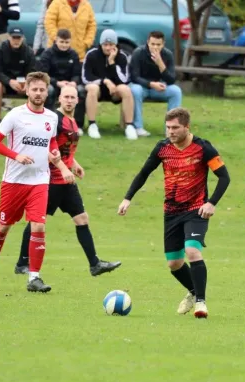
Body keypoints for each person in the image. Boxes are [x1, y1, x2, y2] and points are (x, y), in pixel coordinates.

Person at [117, 107, 230, 318]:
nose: (170, 132)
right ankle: (193, 290)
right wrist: (127, 198)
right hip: (171, 211)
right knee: (174, 263)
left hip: (197, 210)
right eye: (168, 127)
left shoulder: (203, 148)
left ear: (187, 127)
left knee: (192, 250)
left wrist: (211, 203)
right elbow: (143, 173)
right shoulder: (162, 148)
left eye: (175, 128)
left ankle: (201, 303)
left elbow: (224, 177)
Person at [14, 86, 121, 277]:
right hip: (51, 180)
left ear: (78, 100)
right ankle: (22, 262)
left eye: (73, 97)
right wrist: (63, 169)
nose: (69, 100)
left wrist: (74, 164)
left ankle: (95, 264)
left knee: (82, 219)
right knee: (37, 222)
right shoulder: (55, 120)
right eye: (66, 97)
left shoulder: (72, 120)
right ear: (60, 100)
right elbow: (45, 147)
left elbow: (64, 149)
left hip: (67, 181)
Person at [0, 71, 74, 293]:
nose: (38, 93)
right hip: (14, 181)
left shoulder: (52, 118)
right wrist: (16, 156)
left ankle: (34, 278)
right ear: (27, 90)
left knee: (39, 225)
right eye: (34, 89)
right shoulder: (15, 115)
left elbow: (51, 143)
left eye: (42, 89)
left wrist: (60, 164)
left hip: (40, 181)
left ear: (47, 91)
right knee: (3, 227)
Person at [81, 29, 136, 140]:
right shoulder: (91, 55)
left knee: (126, 89)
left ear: (115, 45)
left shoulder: (122, 57)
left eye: (111, 45)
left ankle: (129, 126)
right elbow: (86, 78)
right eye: (105, 44)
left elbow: (124, 80)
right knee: (92, 88)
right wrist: (105, 81)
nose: (107, 48)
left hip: (115, 90)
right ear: (101, 44)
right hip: (98, 88)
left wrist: (112, 62)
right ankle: (92, 124)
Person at [129, 31, 182, 137]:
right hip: (142, 87)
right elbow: (134, 77)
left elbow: (171, 80)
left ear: (163, 44)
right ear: (148, 42)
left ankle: (171, 129)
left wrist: (160, 63)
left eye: (158, 44)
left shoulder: (167, 54)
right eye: (152, 44)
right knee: (135, 90)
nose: (155, 47)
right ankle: (138, 127)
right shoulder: (138, 53)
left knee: (176, 91)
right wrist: (150, 84)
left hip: (158, 88)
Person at [36, 29, 85, 131]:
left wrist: (74, 82)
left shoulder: (74, 54)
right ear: (56, 40)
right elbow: (43, 74)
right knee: (48, 90)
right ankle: (48, 123)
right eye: (61, 42)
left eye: (66, 42)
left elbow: (77, 73)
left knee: (81, 90)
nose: (64, 45)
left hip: (69, 85)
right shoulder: (47, 54)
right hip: (52, 83)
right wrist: (57, 83)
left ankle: (77, 125)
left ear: (70, 42)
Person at [0, 27, 35, 126]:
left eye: (18, 38)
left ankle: (30, 122)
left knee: (34, 88)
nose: (16, 40)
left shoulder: (29, 52)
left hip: (22, 84)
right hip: (4, 83)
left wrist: (27, 84)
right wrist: (9, 81)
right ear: (8, 37)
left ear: (22, 38)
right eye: (14, 37)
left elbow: (32, 72)